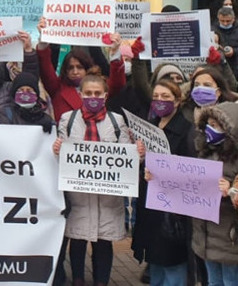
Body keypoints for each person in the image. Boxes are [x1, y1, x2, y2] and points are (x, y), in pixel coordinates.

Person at [51, 70, 140, 286]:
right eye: (88, 93)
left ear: (105, 96)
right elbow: (62, 159)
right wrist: (57, 150)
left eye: (97, 93)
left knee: (104, 242)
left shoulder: (117, 121)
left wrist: (136, 153)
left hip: (107, 197)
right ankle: (78, 279)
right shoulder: (68, 120)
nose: (93, 97)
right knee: (78, 239)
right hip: (78, 195)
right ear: (80, 94)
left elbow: (125, 156)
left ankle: (101, 281)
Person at [132, 79, 196, 286]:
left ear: (177, 101)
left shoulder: (187, 130)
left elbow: (191, 172)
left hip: (173, 213)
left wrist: (164, 172)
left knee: (173, 267)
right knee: (156, 266)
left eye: (166, 97)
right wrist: (141, 158)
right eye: (156, 97)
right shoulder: (149, 128)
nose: (160, 101)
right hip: (150, 210)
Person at [188, 102, 238, 284]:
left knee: (230, 281)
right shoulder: (205, 153)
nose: (210, 129)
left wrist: (230, 190)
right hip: (206, 234)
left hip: (229, 236)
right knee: (213, 282)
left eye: (216, 125)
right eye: (208, 125)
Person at [36, 25, 126, 121]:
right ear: (65, 70)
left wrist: (115, 53)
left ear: (87, 68)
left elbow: (117, 84)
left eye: (79, 67)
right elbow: (45, 67)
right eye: (70, 68)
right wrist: (44, 41)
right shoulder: (57, 88)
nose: (75, 72)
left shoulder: (99, 86)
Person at [213, 6, 238, 76]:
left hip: (235, 66)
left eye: (228, 21)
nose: (225, 23)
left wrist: (234, 51)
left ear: (233, 19)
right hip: (219, 67)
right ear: (218, 18)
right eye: (222, 21)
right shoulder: (213, 29)